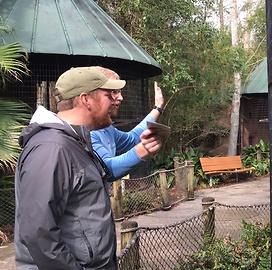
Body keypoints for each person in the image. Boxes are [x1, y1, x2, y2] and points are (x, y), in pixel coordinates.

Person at [14, 66, 163, 269]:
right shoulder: (51, 148)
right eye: (108, 95)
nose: (116, 100)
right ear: (86, 100)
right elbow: (37, 232)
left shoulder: (76, 141)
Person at [91, 69, 165, 183]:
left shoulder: (106, 129)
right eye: (114, 92)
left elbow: (132, 139)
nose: (121, 97)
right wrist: (144, 149)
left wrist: (157, 108)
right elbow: (107, 169)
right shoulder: (85, 131)